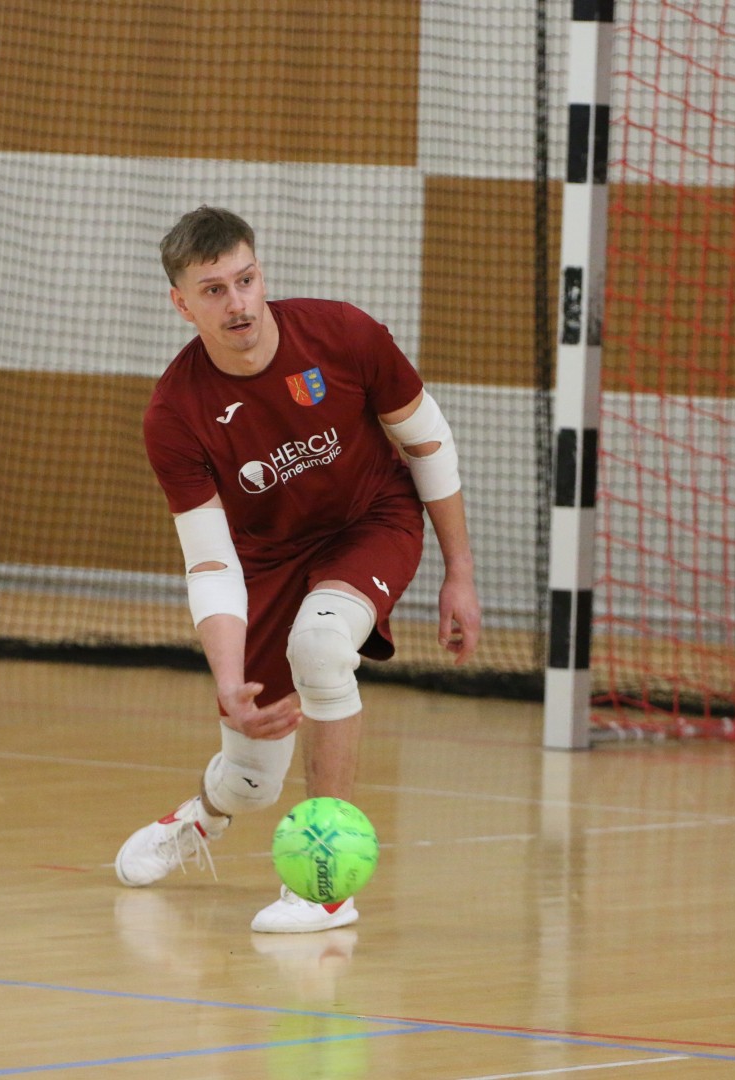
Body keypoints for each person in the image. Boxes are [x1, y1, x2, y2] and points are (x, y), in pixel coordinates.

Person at [114, 206, 482, 934]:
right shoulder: (176, 414)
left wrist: (460, 572)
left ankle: (326, 885)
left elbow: (427, 441)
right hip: (269, 560)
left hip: (371, 522)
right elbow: (210, 560)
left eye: (246, 279)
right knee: (251, 780)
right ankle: (201, 816)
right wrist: (228, 683)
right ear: (181, 304)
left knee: (320, 644)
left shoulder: (343, 334)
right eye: (214, 290)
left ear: (261, 274)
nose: (238, 303)